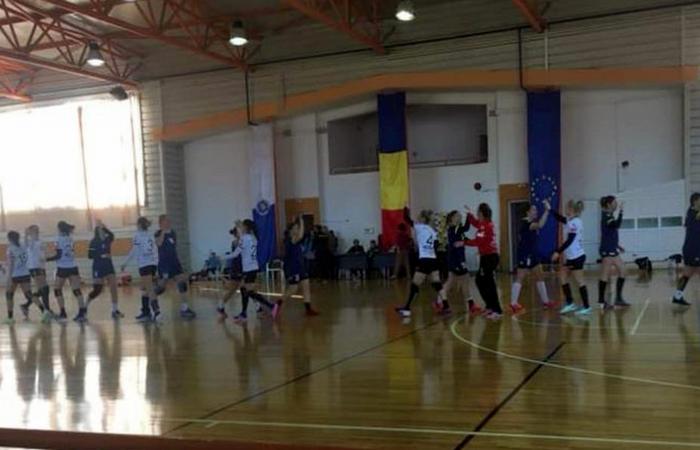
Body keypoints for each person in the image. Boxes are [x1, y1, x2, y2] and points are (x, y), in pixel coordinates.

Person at [225, 219, 281, 323]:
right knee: (244, 289)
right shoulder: (253, 237)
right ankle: (244, 314)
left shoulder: (244, 238)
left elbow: (236, 253)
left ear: (246, 227)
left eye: (243, 226)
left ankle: (271, 306)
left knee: (249, 292)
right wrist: (239, 226)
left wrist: (224, 257)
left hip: (248, 269)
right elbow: (243, 239)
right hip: (253, 268)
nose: (241, 227)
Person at [395, 208, 447, 317]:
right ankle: (446, 307)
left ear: (423, 218)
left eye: (419, 216)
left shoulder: (419, 227)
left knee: (414, 285)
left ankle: (407, 308)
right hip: (433, 259)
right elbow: (436, 245)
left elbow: (406, 219)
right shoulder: (433, 231)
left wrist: (405, 209)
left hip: (424, 260)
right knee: (437, 284)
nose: (418, 218)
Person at [510, 200, 555, 314]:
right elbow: (540, 225)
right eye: (533, 210)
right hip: (525, 255)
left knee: (540, 275)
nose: (536, 211)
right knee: (520, 277)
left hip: (533, 254)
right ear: (528, 212)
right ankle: (513, 303)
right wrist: (547, 211)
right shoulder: (525, 223)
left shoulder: (530, 222)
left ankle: (546, 301)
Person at [462, 203, 502, 320]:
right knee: (480, 280)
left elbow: (478, 241)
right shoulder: (485, 223)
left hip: (489, 257)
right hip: (487, 257)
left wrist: (463, 242)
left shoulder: (485, 226)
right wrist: (469, 214)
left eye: (477, 212)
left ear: (481, 213)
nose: (477, 214)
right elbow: (475, 223)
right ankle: (490, 306)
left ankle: (497, 310)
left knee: (488, 283)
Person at [551, 200, 591, 315]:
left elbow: (570, 240)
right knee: (562, 276)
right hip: (571, 257)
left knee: (580, 281)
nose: (565, 209)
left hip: (577, 257)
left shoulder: (575, 222)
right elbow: (560, 218)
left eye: (567, 208)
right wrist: (550, 209)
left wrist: (558, 251)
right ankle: (570, 303)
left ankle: (587, 307)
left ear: (571, 209)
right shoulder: (570, 220)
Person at [154, 215, 196, 319]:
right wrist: (163, 231)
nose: (168, 223)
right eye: (166, 221)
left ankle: (184, 308)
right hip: (164, 264)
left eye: (169, 221)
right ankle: (149, 300)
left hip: (174, 262)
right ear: (161, 223)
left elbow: (173, 246)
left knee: (182, 282)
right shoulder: (158, 233)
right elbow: (159, 244)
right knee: (161, 287)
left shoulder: (173, 233)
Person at [441, 209, 481, 315]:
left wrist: (468, 216)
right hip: (456, 260)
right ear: (452, 218)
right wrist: (469, 216)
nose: (460, 217)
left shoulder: (457, 229)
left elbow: (464, 235)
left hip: (453, 259)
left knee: (451, 282)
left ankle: (440, 302)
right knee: (464, 280)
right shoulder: (455, 229)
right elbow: (466, 229)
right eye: (458, 216)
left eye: (460, 215)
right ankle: (471, 305)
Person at [121, 217, 161, 322]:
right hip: (152, 264)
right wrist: (156, 263)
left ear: (139, 225)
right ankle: (146, 312)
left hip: (144, 265)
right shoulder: (150, 235)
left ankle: (157, 312)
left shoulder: (137, 236)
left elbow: (134, 251)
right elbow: (155, 250)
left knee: (149, 289)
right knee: (144, 289)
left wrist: (125, 263)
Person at [47, 221, 88, 322]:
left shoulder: (58, 239)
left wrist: (46, 259)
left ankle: (63, 312)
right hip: (73, 266)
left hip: (62, 267)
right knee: (76, 290)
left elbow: (58, 255)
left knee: (57, 289)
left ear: (59, 228)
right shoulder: (70, 238)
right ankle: (82, 313)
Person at [5, 231, 48, 324]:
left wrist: (8, 278)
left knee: (9, 295)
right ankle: (44, 311)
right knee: (29, 294)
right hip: (25, 273)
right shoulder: (23, 246)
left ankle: (10, 318)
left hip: (15, 275)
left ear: (9, 239)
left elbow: (11, 265)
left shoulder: (10, 249)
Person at [282, 217, 319, 316]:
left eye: (298, 228)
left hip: (300, 267)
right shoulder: (291, 240)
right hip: (293, 268)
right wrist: (302, 221)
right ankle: (278, 303)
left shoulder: (295, 240)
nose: (297, 230)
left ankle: (308, 309)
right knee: (293, 289)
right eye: (296, 228)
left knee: (306, 286)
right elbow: (301, 235)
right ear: (290, 231)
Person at [86, 220, 124, 319]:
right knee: (97, 290)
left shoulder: (108, 239)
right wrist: (101, 255)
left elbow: (112, 235)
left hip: (108, 265)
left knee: (113, 287)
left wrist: (103, 227)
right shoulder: (94, 241)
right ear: (97, 231)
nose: (103, 231)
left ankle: (115, 310)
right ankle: (85, 306)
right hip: (98, 266)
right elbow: (89, 255)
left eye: (104, 229)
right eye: (101, 229)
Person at [598, 196, 631, 309]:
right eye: (614, 202)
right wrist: (621, 212)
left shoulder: (609, 215)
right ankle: (602, 302)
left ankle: (618, 299)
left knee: (623, 271)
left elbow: (609, 234)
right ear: (608, 205)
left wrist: (617, 246)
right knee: (605, 275)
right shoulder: (606, 216)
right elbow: (616, 225)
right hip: (607, 251)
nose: (616, 204)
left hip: (612, 249)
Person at [672, 192, 700, 306]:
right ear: (695, 201)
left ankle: (677, 296)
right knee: (689, 273)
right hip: (693, 250)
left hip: (692, 249)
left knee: (687, 274)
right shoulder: (693, 213)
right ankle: (677, 296)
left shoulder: (692, 212)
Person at [25, 225, 52, 316]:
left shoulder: (41, 241)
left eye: (37, 229)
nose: (37, 231)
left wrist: (47, 257)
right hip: (34, 268)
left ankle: (26, 305)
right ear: (30, 232)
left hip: (41, 267)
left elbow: (44, 253)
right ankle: (46, 311)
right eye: (34, 230)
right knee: (44, 288)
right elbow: (27, 244)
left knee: (43, 289)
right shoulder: (30, 242)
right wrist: (26, 234)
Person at [217, 226, 243, 318]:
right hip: (238, 268)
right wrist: (222, 257)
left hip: (241, 267)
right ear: (237, 233)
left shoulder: (241, 241)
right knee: (235, 289)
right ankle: (220, 306)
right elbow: (235, 255)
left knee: (247, 288)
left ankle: (220, 306)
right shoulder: (237, 242)